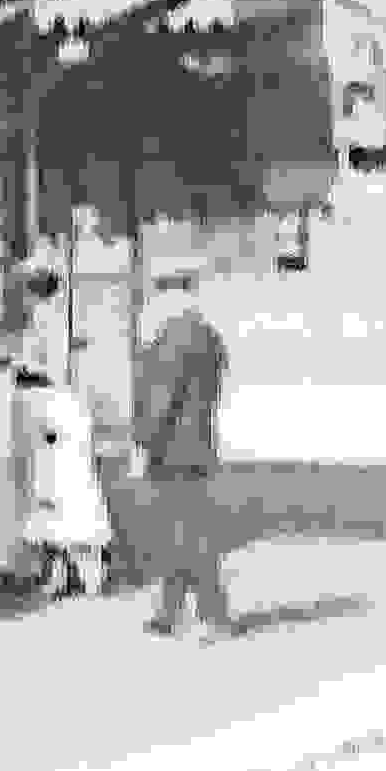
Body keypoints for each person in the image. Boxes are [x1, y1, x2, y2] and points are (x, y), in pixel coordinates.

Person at [128, 261, 239, 639]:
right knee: (178, 534)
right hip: (197, 447)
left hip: (171, 449)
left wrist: (142, 441)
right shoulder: (206, 336)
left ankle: (214, 617)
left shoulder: (170, 339)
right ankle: (170, 612)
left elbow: (160, 400)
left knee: (189, 539)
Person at [13, 269, 114, 600]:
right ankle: (61, 574)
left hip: (55, 409)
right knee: (54, 497)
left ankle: (86, 573)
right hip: (53, 411)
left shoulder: (48, 319)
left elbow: (51, 368)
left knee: (67, 494)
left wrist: (21, 368)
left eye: (30, 286)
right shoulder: (49, 318)